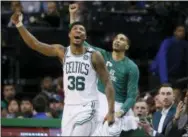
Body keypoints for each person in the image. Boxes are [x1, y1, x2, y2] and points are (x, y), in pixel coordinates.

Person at [11, 11, 115, 136]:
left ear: (85, 37)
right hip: (69, 108)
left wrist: (111, 111)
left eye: (81, 30)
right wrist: (19, 24)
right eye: (75, 29)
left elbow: (108, 82)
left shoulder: (94, 56)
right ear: (69, 35)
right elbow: (35, 44)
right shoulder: (62, 52)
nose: (78, 31)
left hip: (88, 107)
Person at [69, 3, 139, 120]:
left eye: (121, 39)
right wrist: (72, 16)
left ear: (126, 47)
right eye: (116, 38)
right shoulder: (102, 55)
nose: (117, 41)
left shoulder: (132, 67)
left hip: (117, 105)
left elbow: (132, 96)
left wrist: (120, 112)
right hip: (98, 100)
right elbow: (81, 42)